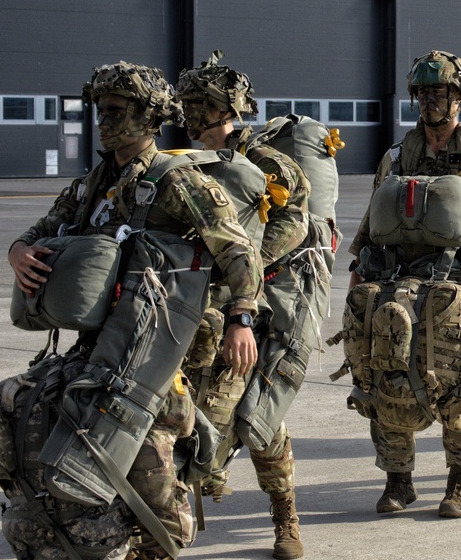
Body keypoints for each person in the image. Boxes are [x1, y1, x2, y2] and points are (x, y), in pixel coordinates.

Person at [6, 61, 262, 560]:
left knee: (148, 460)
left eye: (117, 111)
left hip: (162, 341)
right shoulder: (93, 184)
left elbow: (238, 251)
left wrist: (242, 318)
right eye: (100, 111)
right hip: (103, 340)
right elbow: (41, 229)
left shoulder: (177, 180)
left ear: (148, 118)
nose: (104, 120)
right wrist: (19, 249)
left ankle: (162, 539)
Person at [340, 50, 461, 518]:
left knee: (459, 384)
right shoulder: (398, 154)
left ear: (459, 97)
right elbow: (374, 212)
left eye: (441, 92)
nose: (431, 101)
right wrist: (356, 264)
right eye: (424, 93)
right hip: (395, 281)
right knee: (384, 373)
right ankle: (398, 479)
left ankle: (460, 481)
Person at [176, 52, 316, 559]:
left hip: (251, 305)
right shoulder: (183, 162)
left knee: (254, 415)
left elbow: (295, 221)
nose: (190, 116)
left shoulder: (266, 162)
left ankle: (285, 516)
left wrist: (247, 265)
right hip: (191, 309)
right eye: (188, 105)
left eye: (200, 105)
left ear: (224, 108)